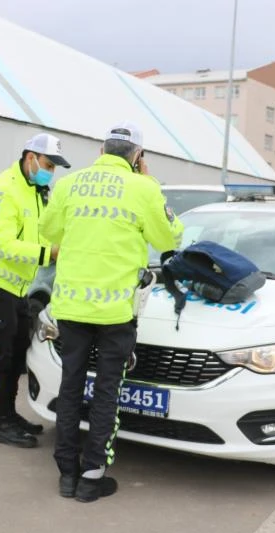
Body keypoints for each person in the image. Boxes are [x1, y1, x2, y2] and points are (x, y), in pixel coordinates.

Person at [41, 122, 178, 502]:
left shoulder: (69, 185)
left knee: (70, 387)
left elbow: (48, 232)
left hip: (71, 307)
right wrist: (149, 183)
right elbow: (169, 237)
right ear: (137, 157)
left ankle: (66, 474)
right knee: (106, 392)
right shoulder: (143, 188)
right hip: (115, 314)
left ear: (101, 151)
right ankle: (91, 477)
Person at [0, 133, 70, 448]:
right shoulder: (3, 190)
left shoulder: (36, 192)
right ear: (30, 158)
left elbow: (44, 234)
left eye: (54, 167)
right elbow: (4, 245)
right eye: (48, 165)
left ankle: (9, 414)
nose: (51, 172)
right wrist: (49, 254)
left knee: (17, 352)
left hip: (18, 288)